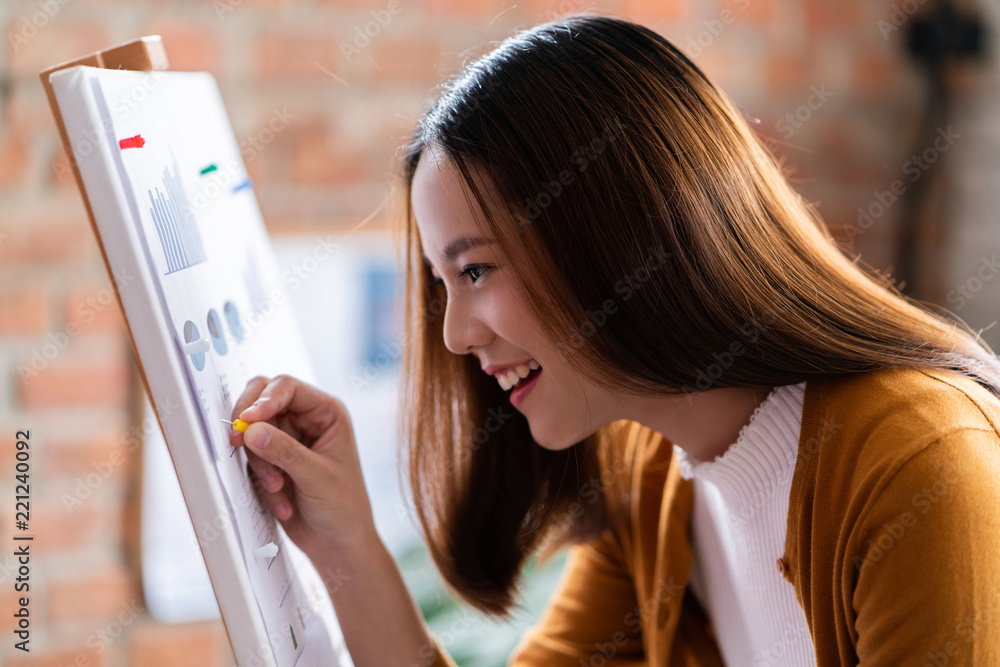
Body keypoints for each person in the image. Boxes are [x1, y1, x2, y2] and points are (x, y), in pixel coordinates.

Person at [229, 14, 1000, 667]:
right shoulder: (652, 479)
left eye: (475, 270)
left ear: (617, 235)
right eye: (442, 283)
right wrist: (342, 539)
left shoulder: (919, 464)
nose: (456, 335)